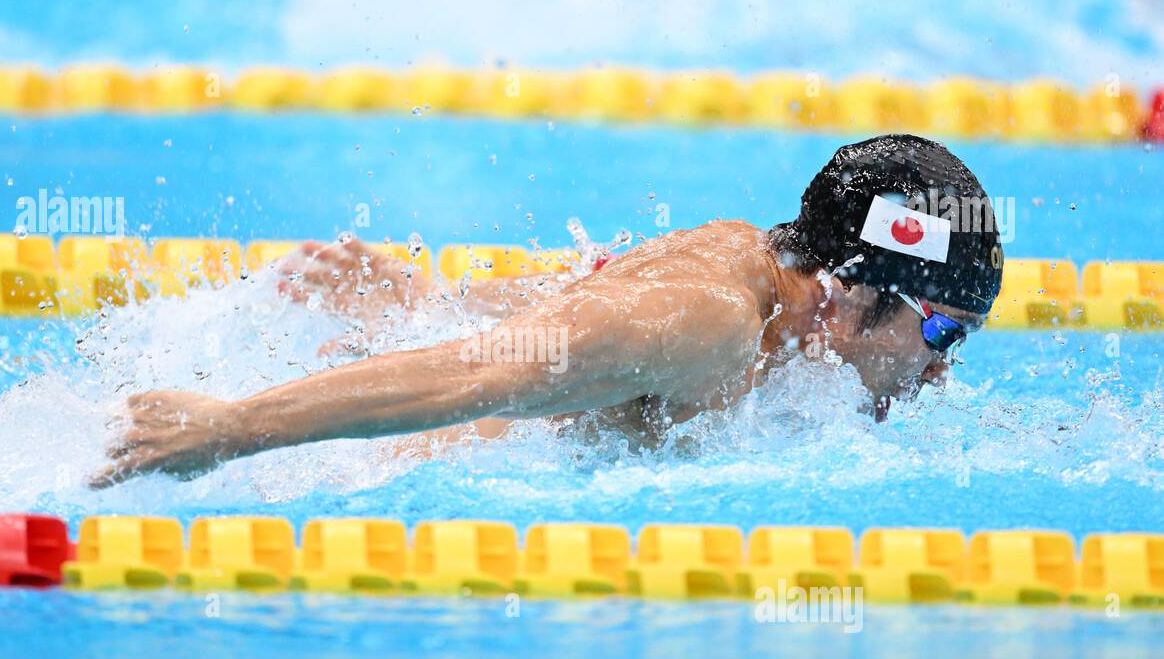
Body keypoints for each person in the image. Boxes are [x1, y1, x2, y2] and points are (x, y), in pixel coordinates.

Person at [92, 134, 1004, 487]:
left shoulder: (749, 269)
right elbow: (489, 373)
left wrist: (423, 300)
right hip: (353, 475)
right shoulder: (712, 320)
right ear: (847, 296)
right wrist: (233, 425)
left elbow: (564, 315)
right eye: (938, 330)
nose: (938, 370)